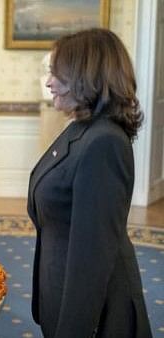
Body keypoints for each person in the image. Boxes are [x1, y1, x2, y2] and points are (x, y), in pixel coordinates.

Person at [27, 28, 152, 338]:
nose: (48, 82)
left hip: (97, 316)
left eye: (57, 73)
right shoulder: (83, 129)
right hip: (63, 294)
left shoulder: (103, 143)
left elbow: (91, 261)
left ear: (86, 76)